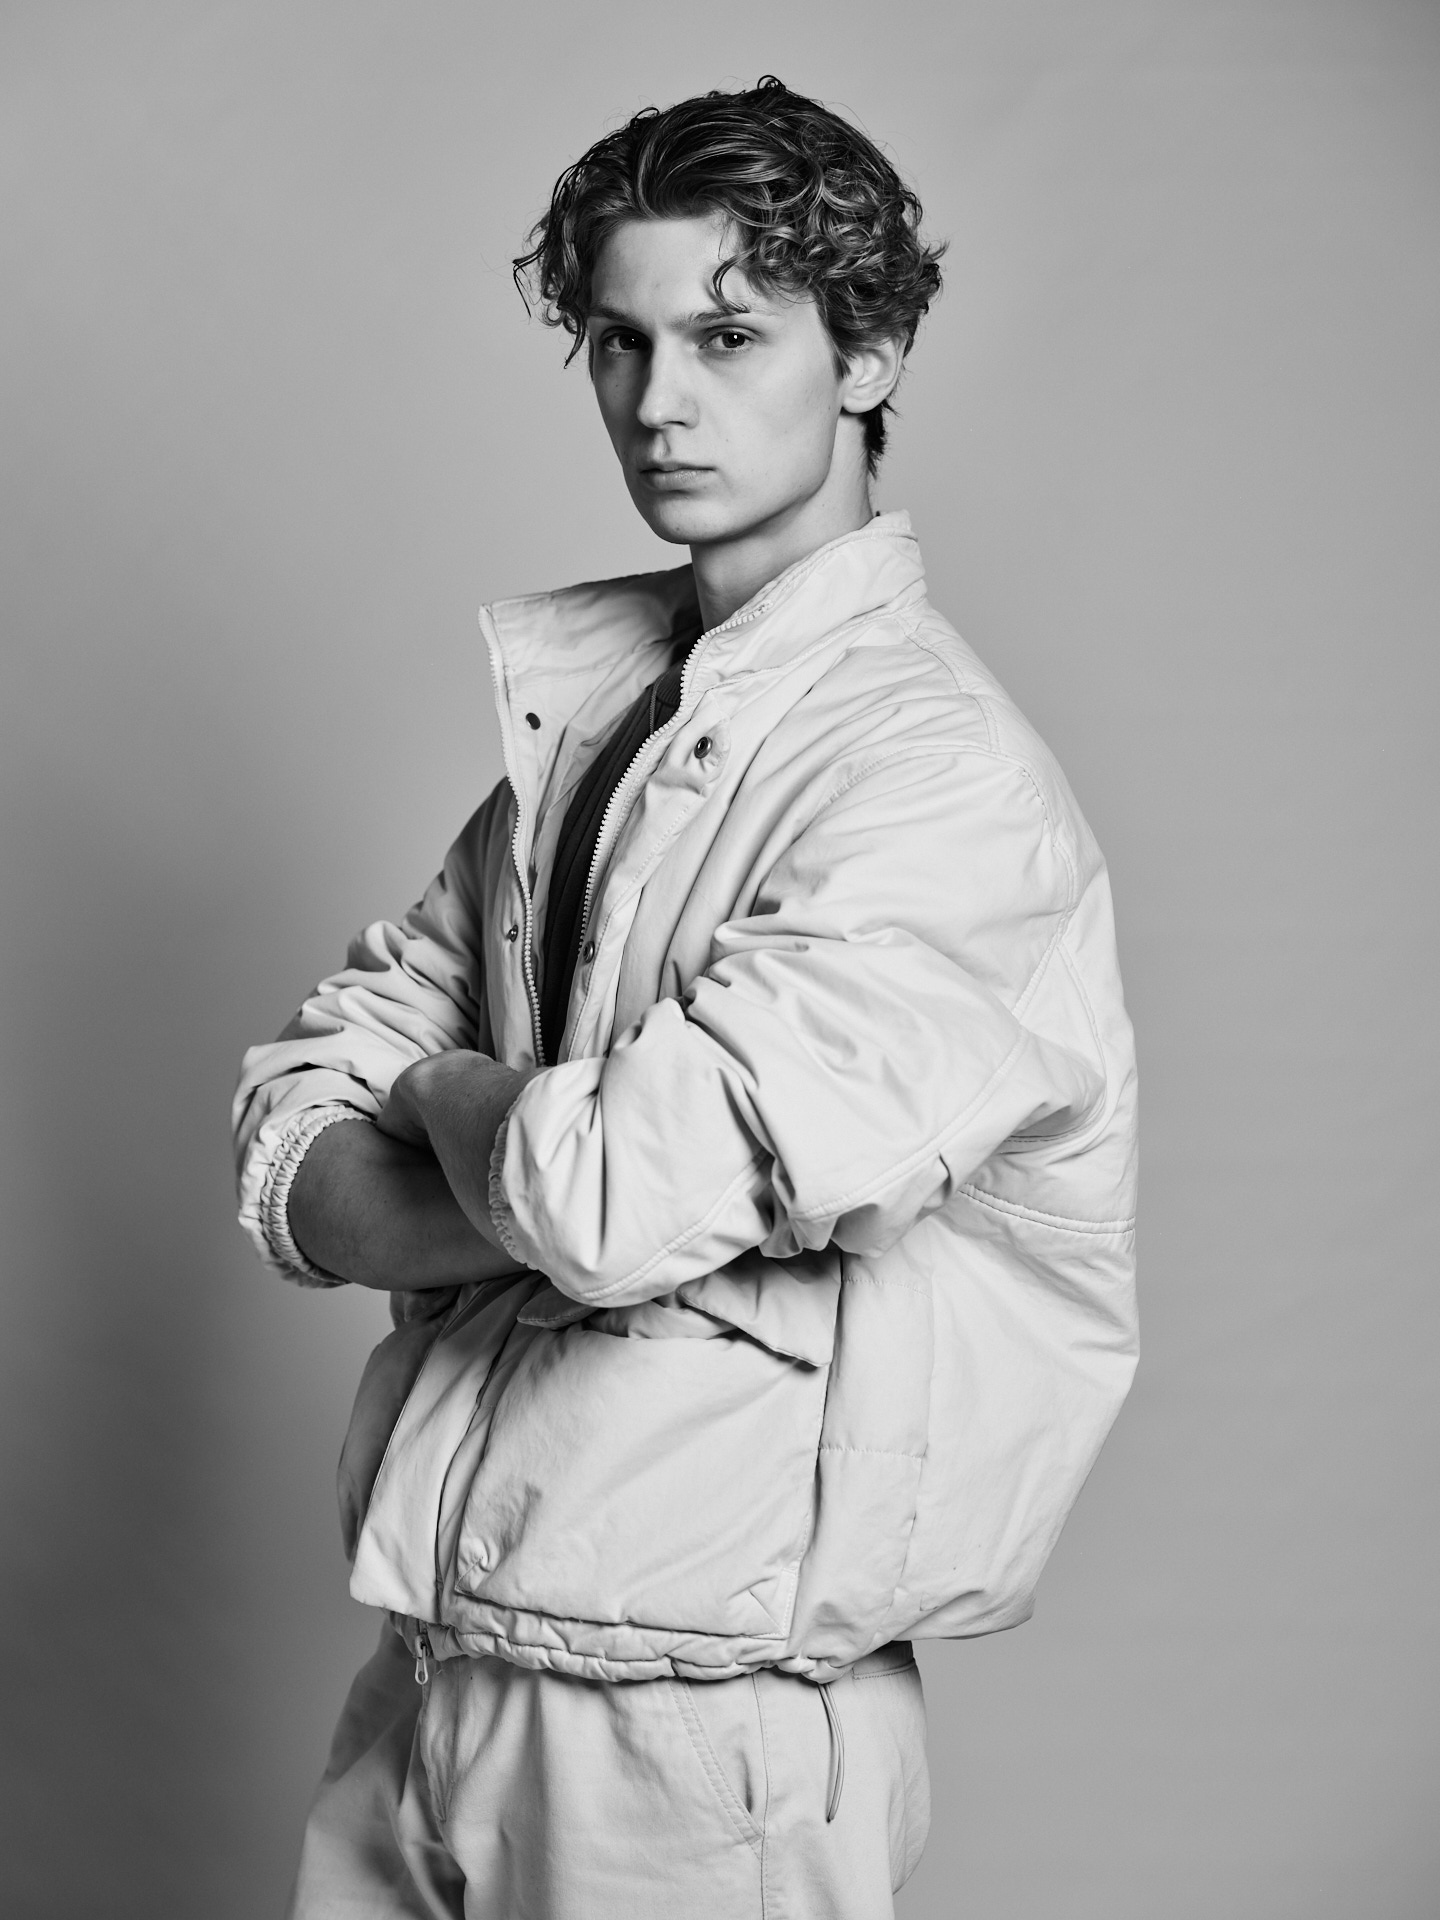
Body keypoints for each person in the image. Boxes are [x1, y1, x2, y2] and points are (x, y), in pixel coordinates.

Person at [233, 76, 1138, 1920]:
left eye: (730, 339)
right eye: (621, 341)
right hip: (438, 1668)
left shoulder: (935, 782)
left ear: (867, 353)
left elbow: (608, 1198)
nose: (659, 402)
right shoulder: (601, 722)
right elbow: (293, 1136)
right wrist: (522, 1152)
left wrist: (451, 1107)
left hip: (698, 1735)